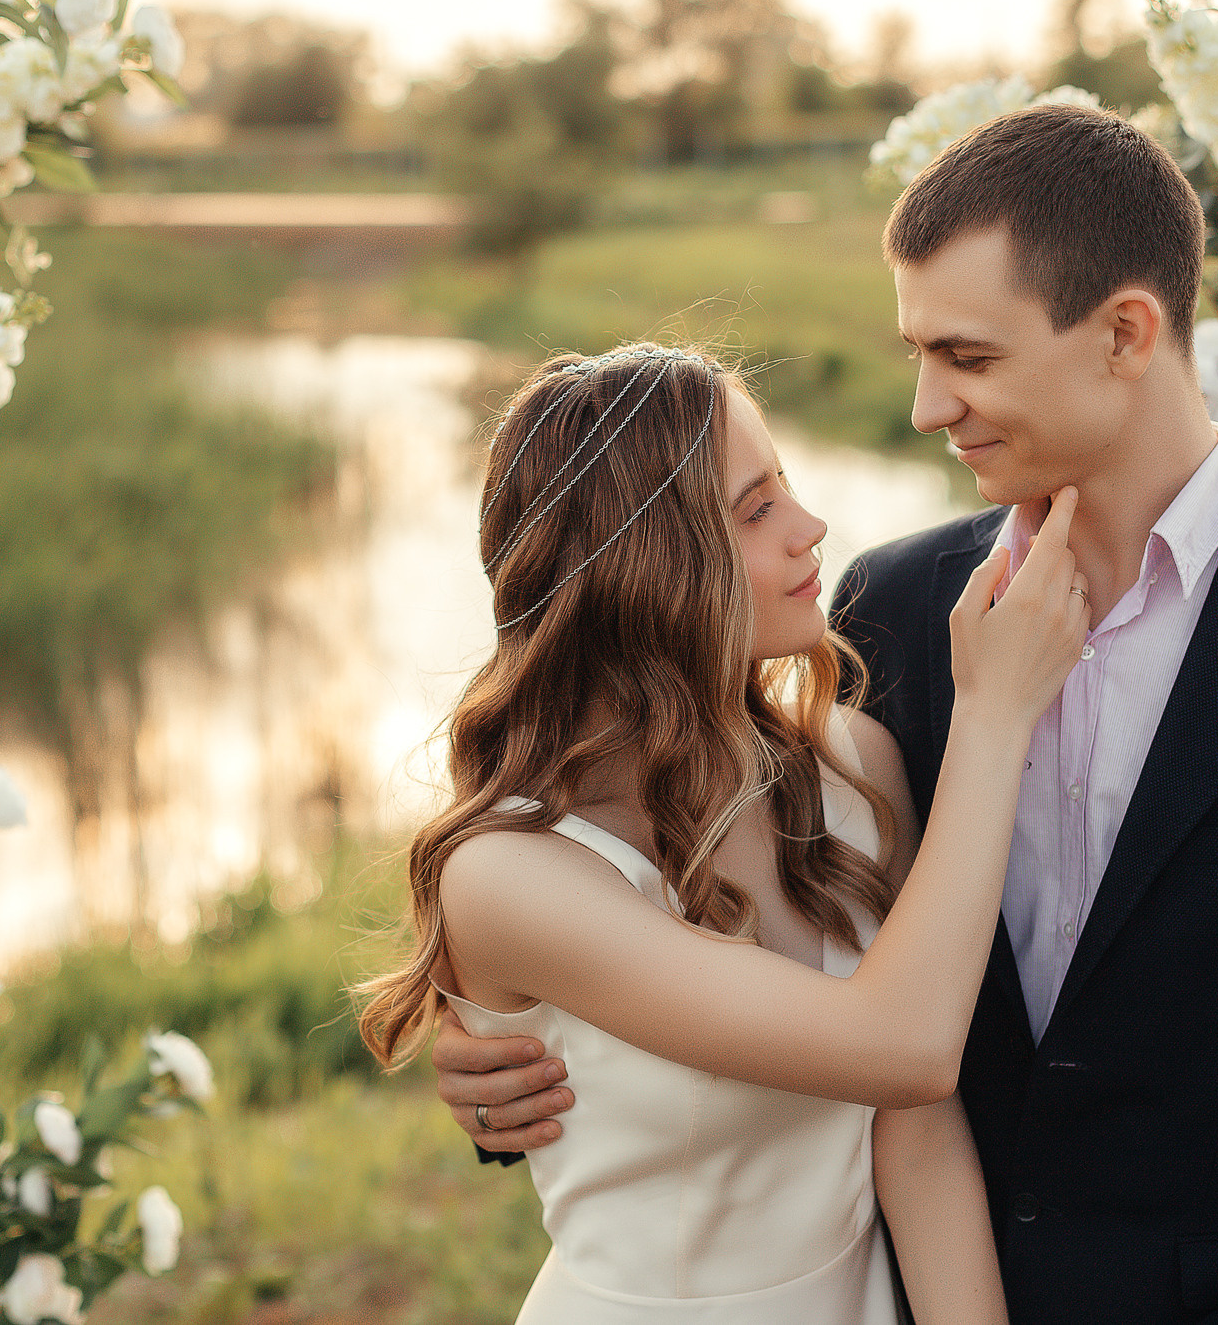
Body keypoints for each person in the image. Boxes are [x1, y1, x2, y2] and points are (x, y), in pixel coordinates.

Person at [429, 106, 1218, 1323]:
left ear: (1125, 332)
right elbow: (777, 1017)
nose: (925, 405)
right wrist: (526, 1061)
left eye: (965, 357)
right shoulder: (894, 607)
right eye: (916, 351)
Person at [359, 341, 1093, 1323]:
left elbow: (911, 1124)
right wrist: (994, 714)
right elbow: (906, 1045)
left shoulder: (853, 767)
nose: (811, 528)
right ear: (640, 568)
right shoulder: (510, 875)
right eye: (755, 510)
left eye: (784, 486)